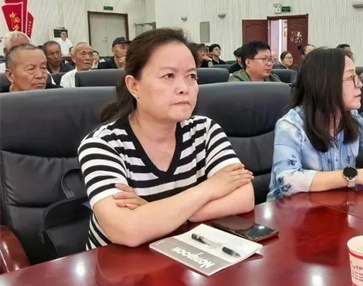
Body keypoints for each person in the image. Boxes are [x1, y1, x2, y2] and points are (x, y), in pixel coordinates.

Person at [77, 28, 255, 249]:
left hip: (185, 253)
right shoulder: (102, 145)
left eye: (192, 76)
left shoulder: (205, 130)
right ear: (134, 86)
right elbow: (127, 229)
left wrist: (153, 210)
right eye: (168, 76)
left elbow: (244, 196)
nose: (184, 88)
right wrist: (210, 188)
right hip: (121, 264)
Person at [267, 47, 363, 200]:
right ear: (325, 83)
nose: (360, 84)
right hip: (289, 210)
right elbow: (288, 180)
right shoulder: (291, 125)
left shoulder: (351, 117)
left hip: (333, 204)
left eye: (357, 76)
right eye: (351, 77)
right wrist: (356, 176)